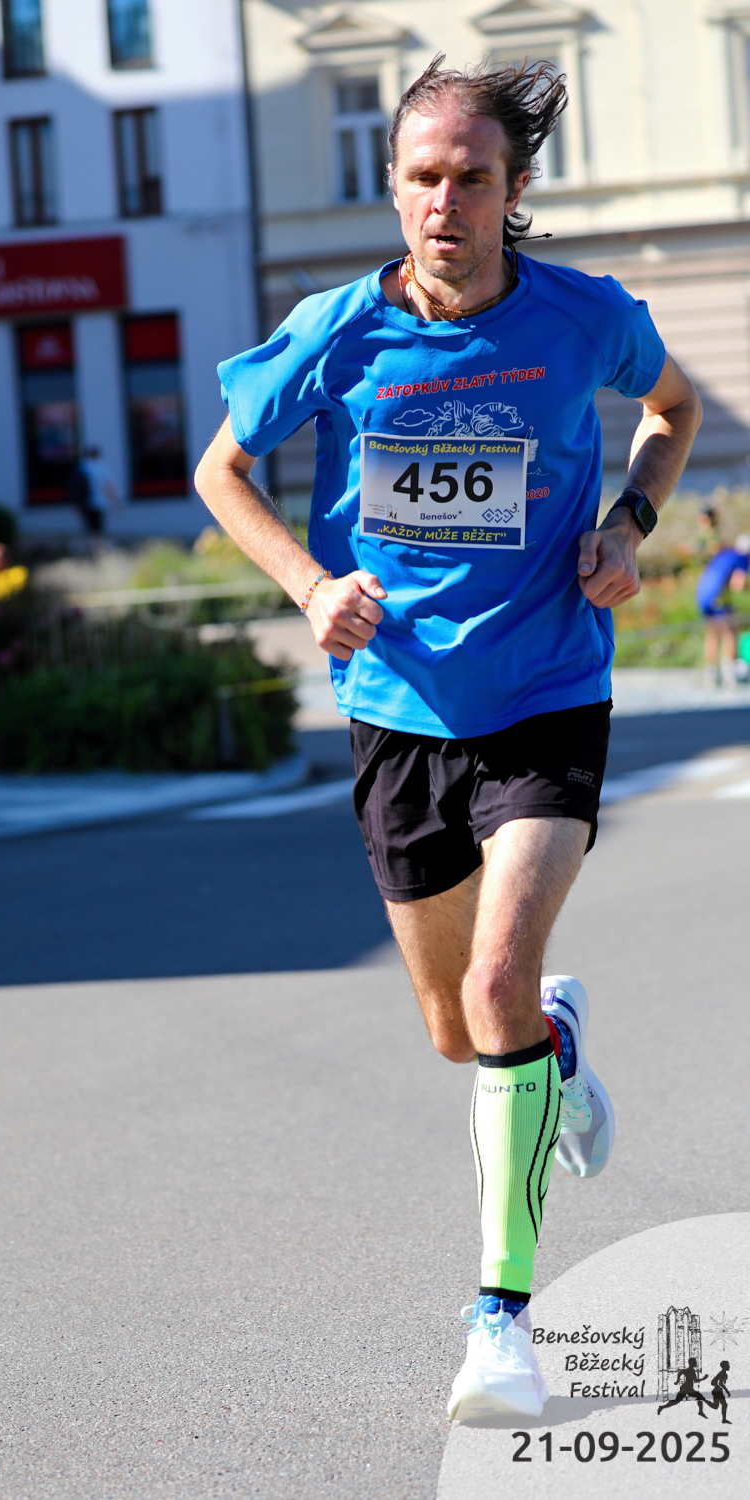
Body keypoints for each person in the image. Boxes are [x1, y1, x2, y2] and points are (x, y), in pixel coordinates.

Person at [194, 53, 701, 1423]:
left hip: (547, 693)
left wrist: (627, 525)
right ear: (393, 187)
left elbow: (675, 412)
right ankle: (554, 1046)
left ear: (513, 187)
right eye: (422, 176)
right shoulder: (337, 333)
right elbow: (219, 470)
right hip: (398, 712)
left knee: (493, 985)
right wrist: (311, 586)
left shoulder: (584, 317)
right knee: (458, 1032)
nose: (445, 201)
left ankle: (499, 1322)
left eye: (472, 177)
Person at [695, 534, 749, 687]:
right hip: (716, 597)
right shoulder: (742, 559)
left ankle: (711, 672)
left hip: (701, 594)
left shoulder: (725, 554)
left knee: (713, 633)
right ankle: (729, 671)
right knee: (730, 631)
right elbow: (737, 585)